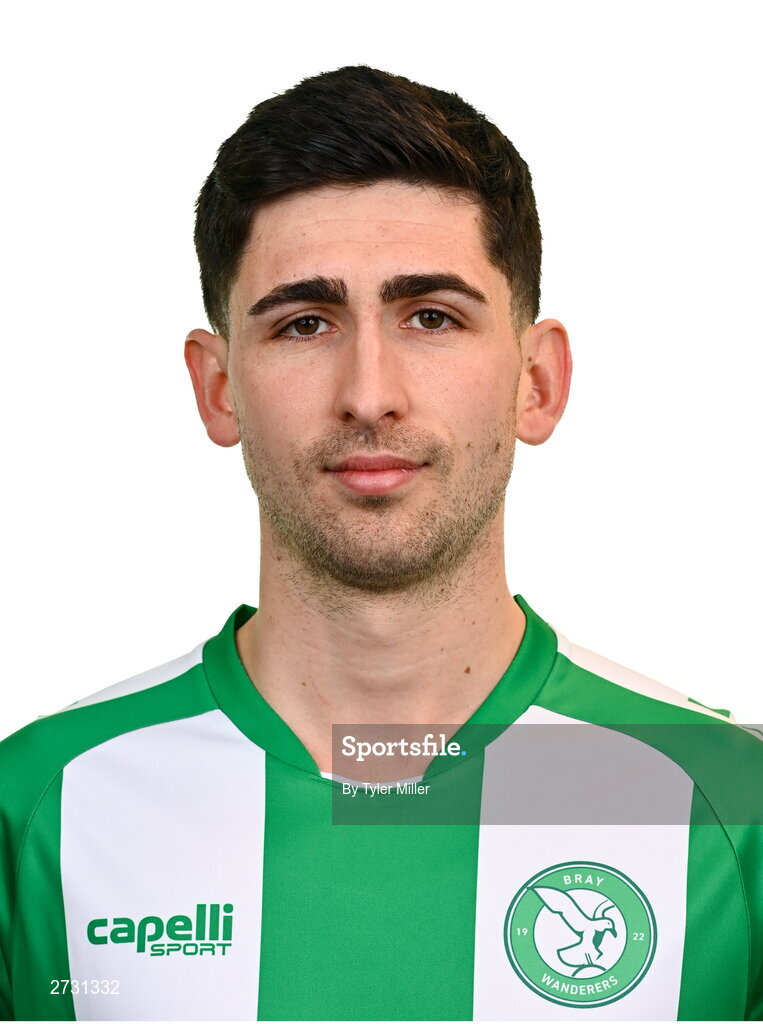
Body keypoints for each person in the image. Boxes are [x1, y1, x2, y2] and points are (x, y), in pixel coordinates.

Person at [0, 65, 760, 1023]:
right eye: (305, 322)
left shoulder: (729, 800)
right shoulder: (39, 806)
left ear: (536, 381)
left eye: (431, 318)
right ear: (218, 386)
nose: (368, 392)